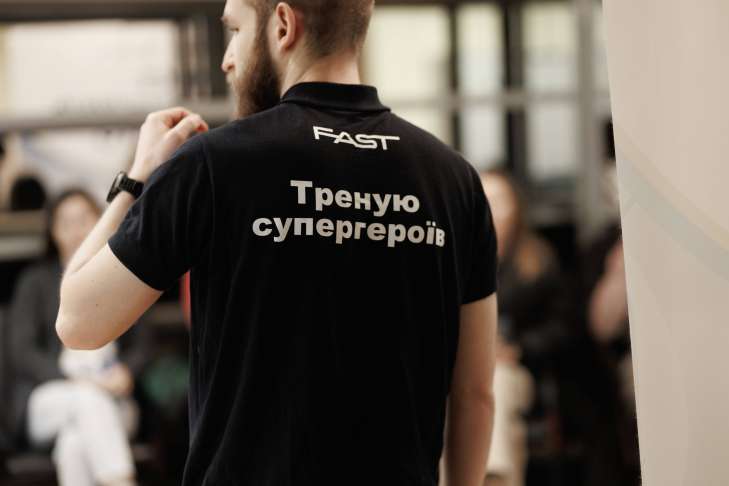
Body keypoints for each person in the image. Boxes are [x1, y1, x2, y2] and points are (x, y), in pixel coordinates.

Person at [54, 1, 500, 485]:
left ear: (283, 25)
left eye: (236, 30)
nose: (227, 58)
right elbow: (475, 393)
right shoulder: (454, 181)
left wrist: (136, 180)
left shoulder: (212, 165)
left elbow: (78, 320)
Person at [8, 189, 150, 486]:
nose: (76, 231)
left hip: (115, 398)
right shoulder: (35, 282)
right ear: (53, 232)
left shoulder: (122, 276)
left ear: (102, 221)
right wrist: (77, 379)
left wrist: (126, 372)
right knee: (87, 398)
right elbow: (22, 350)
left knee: (73, 444)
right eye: (66, 223)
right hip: (51, 397)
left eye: (84, 220)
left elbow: (143, 343)